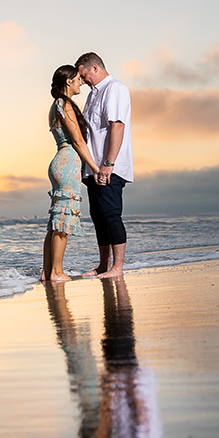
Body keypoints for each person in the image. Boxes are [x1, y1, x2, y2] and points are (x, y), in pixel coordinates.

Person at [75, 52, 133, 278]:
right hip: (93, 168)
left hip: (109, 167)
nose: (82, 80)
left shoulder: (114, 89)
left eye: (83, 74)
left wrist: (108, 164)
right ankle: (103, 266)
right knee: (98, 216)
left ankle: (117, 268)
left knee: (111, 215)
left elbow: (117, 126)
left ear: (95, 67)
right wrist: (87, 168)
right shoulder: (93, 95)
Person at [43, 65, 100, 282]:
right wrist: (95, 169)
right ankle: (57, 272)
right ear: (68, 82)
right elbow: (78, 141)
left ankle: (47, 272)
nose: (81, 82)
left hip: (59, 161)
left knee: (56, 221)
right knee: (64, 220)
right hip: (67, 163)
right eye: (77, 79)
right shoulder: (64, 104)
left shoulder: (55, 105)